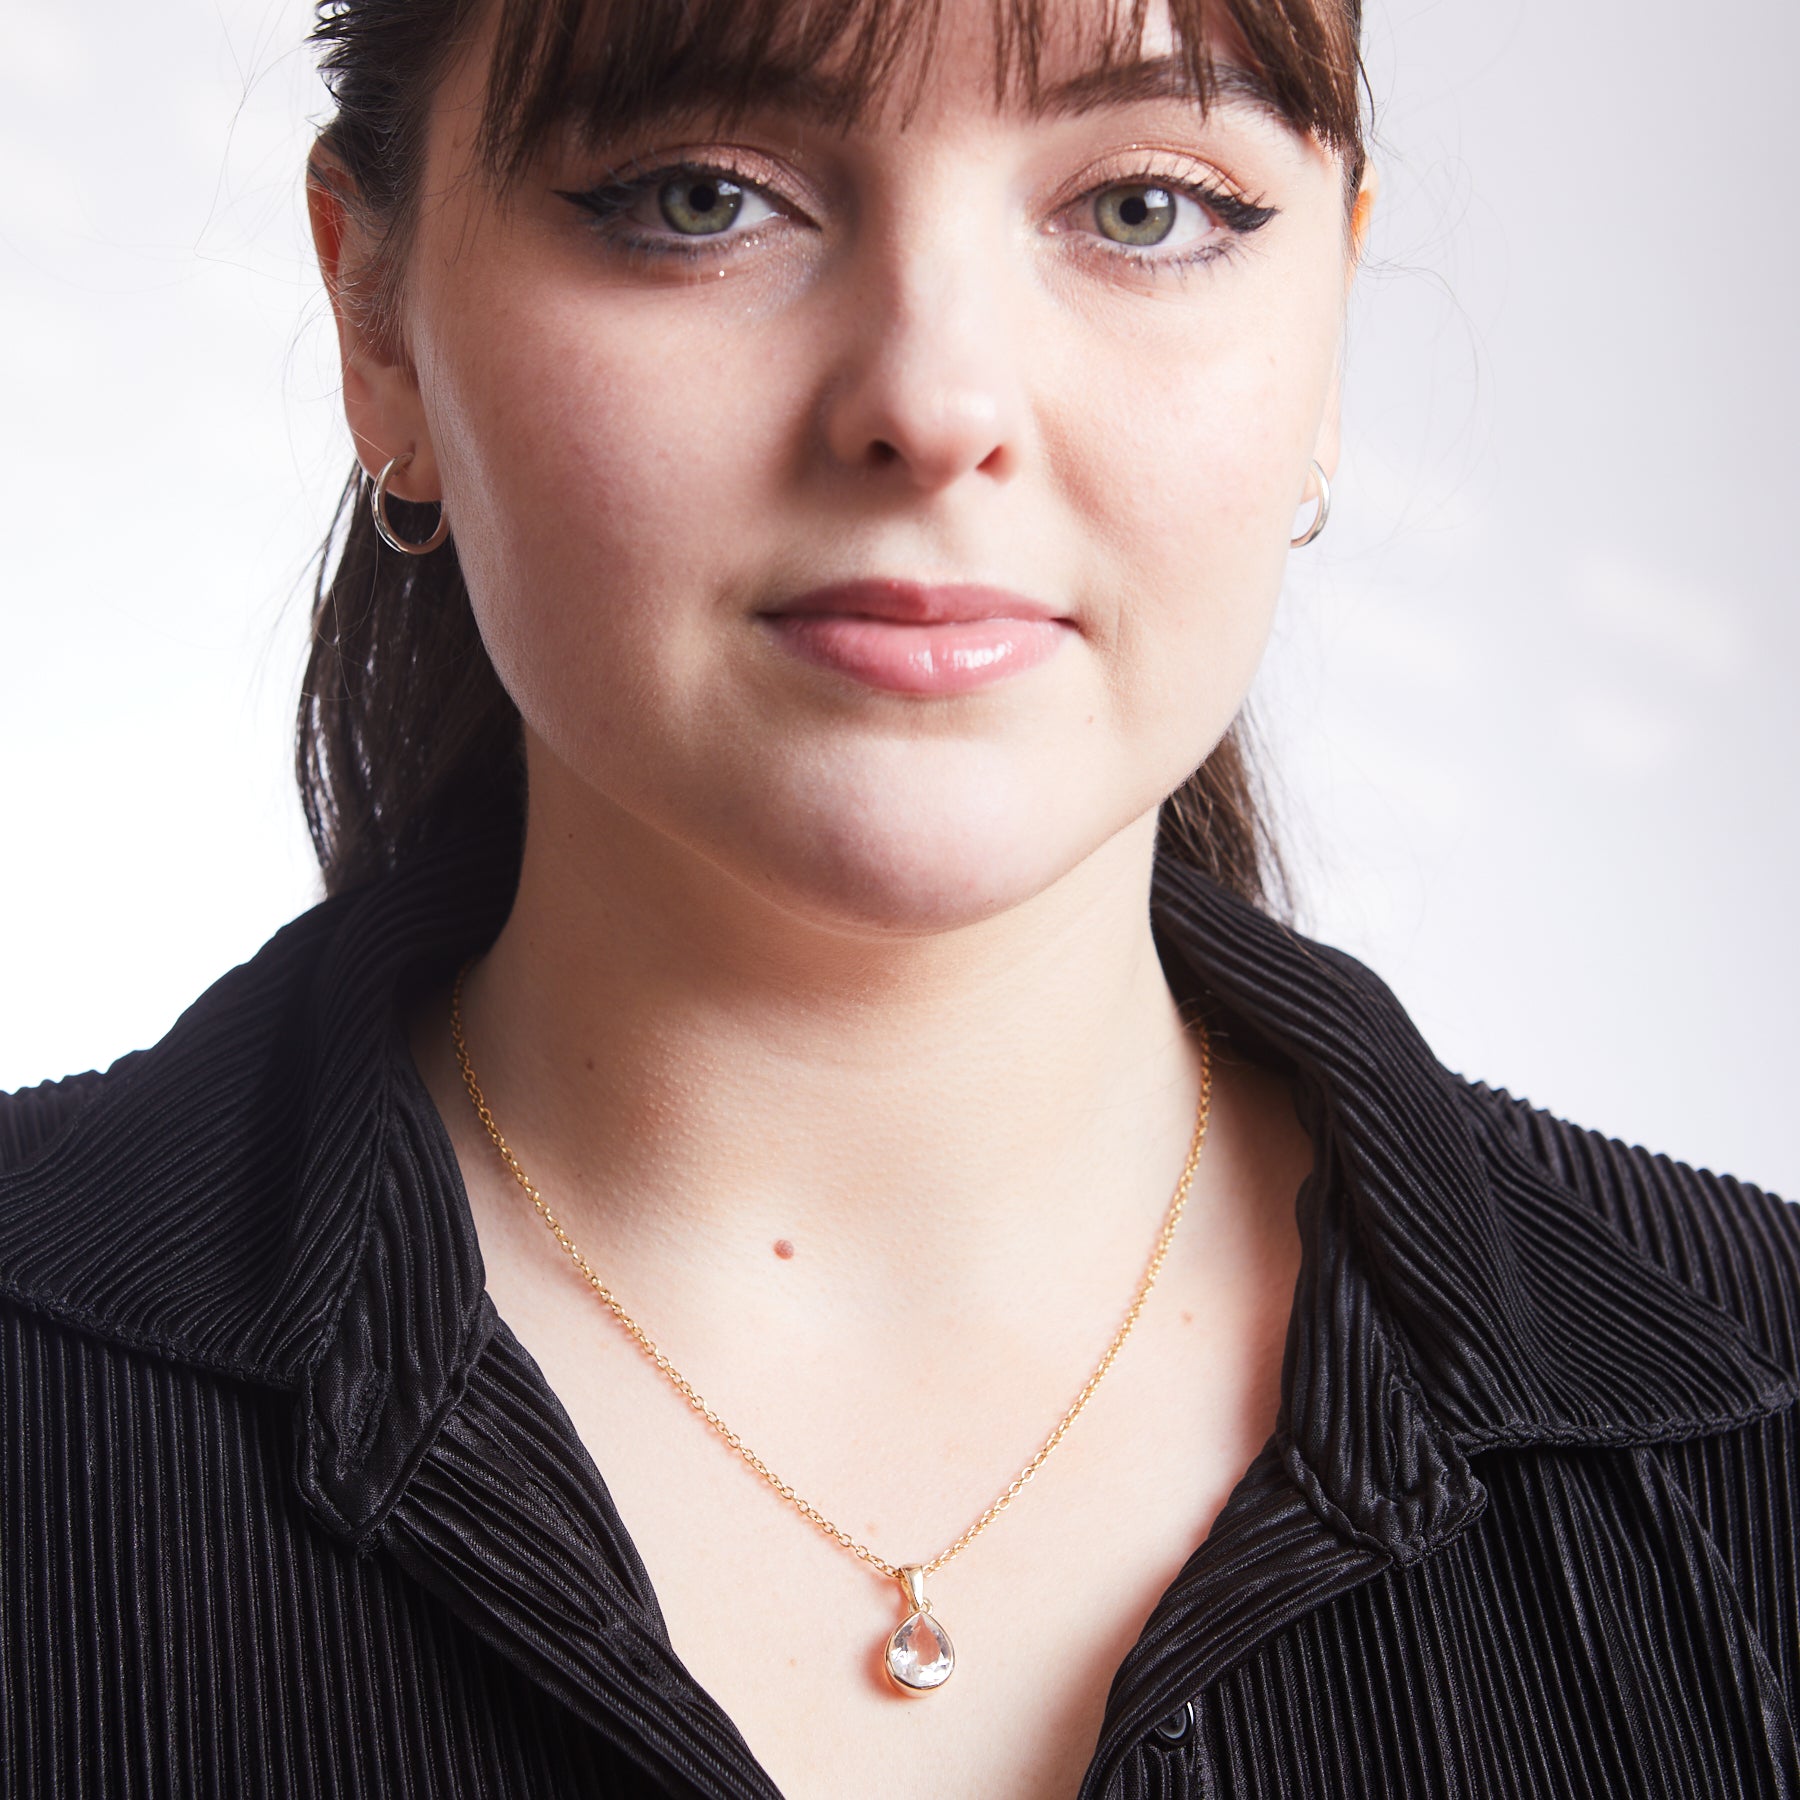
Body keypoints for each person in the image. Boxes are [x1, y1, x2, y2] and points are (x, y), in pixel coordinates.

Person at [2, 0, 1795, 1794]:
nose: (936, 408)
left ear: (1329, 321)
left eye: (1147, 208)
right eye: (702, 196)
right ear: (376, 318)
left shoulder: (1758, 1428)